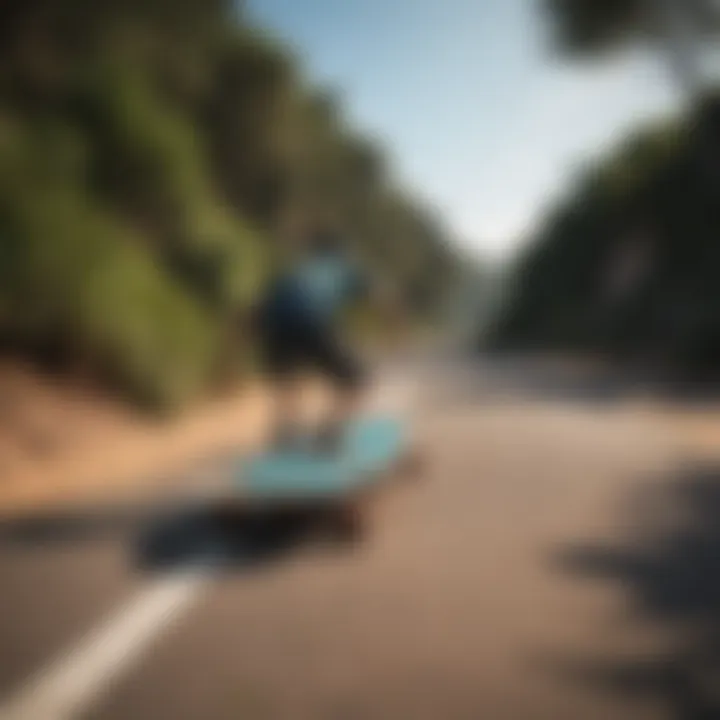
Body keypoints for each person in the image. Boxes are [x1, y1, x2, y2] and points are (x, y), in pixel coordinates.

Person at [254, 226, 391, 453]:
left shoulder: (296, 269)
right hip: (311, 322)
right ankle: (328, 436)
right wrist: (393, 325)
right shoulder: (344, 267)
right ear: (340, 251)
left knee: (289, 383)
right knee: (355, 381)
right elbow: (378, 298)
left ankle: (284, 437)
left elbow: (259, 308)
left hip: (275, 327)